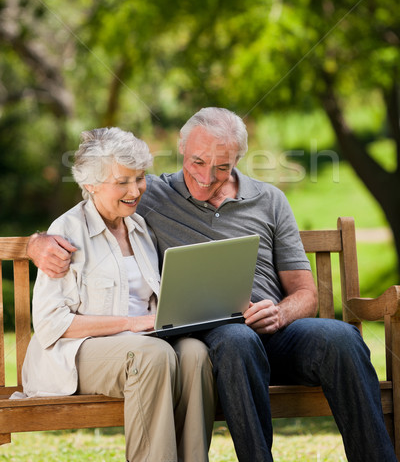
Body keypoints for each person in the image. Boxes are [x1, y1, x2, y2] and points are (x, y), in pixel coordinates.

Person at [27, 108, 397, 462]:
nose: (206, 177)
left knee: (343, 339)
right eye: (197, 162)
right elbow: (95, 205)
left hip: (276, 332)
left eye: (222, 166)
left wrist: (280, 312)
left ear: (238, 159)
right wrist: (37, 243)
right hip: (218, 335)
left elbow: (306, 294)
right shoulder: (151, 196)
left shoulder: (270, 201)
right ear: (182, 151)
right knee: (237, 341)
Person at [22, 127, 216, 462]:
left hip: (145, 344)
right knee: (151, 355)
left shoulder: (140, 230)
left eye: (140, 177)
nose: (135, 189)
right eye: (122, 181)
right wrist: (133, 322)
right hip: (77, 355)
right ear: (90, 184)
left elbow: (154, 306)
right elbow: (51, 324)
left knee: (196, 353)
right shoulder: (66, 232)